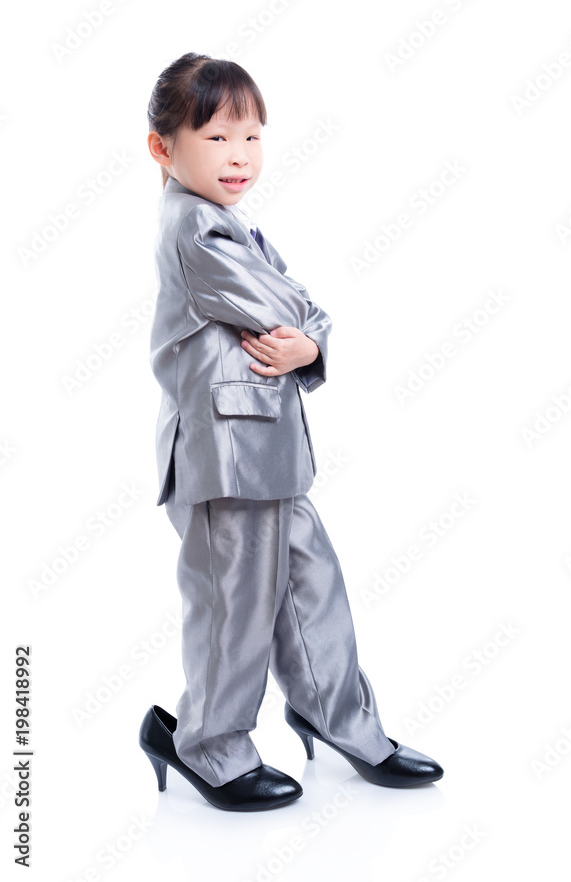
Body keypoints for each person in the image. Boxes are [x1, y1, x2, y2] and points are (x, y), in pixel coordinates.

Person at [138, 52, 443, 812]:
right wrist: (310, 333)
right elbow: (287, 306)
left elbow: (297, 303)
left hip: (268, 450)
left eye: (252, 136)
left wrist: (310, 336)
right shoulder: (195, 229)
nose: (240, 155)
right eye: (216, 138)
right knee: (234, 604)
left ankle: (341, 719)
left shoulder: (230, 223)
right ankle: (207, 744)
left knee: (312, 593)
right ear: (163, 148)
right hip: (223, 456)